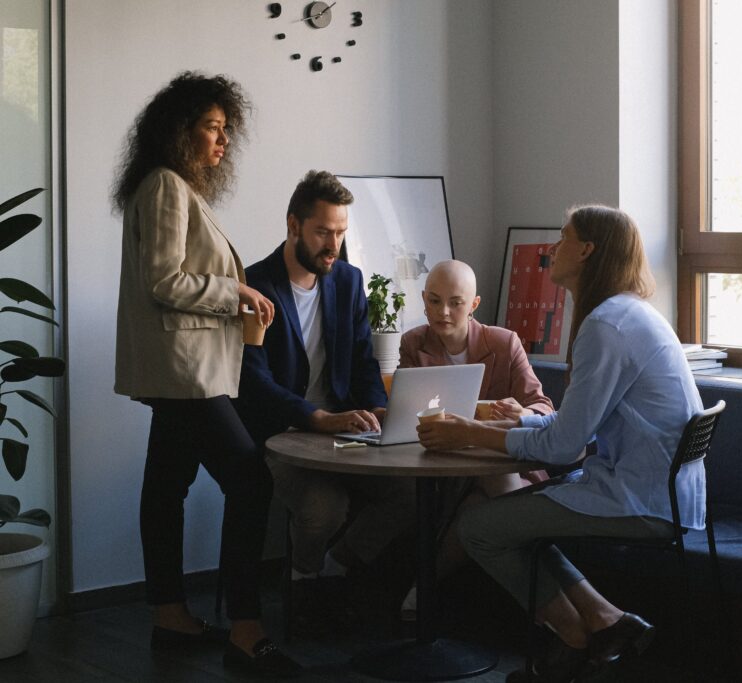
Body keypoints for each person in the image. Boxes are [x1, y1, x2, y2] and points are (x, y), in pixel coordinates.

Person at [418, 205, 705, 681]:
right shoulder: (629, 314)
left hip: (640, 499)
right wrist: (520, 423)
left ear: (587, 250)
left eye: (564, 237)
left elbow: (564, 447)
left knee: (479, 529)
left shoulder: (606, 327)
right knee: (512, 520)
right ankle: (605, 621)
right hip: (666, 492)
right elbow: (579, 426)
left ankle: (575, 637)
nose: (554, 247)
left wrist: (470, 432)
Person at [113, 72, 301, 678]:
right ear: (181, 130)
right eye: (213, 128)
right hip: (186, 372)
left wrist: (233, 299)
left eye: (225, 130)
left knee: (165, 488)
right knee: (251, 481)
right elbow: (164, 282)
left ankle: (171, 617)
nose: (223, 141)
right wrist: (236, 291)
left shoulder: (171, 187)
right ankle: (246, 629)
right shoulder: (167, 186)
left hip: (183, 370)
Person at [234, 170, 415, 632]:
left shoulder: (348, 283)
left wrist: (377, 410)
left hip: (338, 431)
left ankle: (332, 569)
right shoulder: (255, 284)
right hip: (280, 434)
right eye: (322, 232)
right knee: (324, 507)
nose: (333, 245)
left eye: (340, 233)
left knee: (410, 494)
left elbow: (361, 362)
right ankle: (304, 582)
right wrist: (315, 418)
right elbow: (253, 383)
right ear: (293, 225)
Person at [396, 260, 555, 619]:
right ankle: (538, 557)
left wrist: (523, 414)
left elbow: (544, 407)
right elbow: (406, 415)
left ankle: (423, 589)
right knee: (477, 504)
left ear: (474, 304)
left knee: (477, 507)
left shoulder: (503, 343)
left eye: (455, 302)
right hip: (445, 470)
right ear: (423, 300)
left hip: (501, 467)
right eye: (434, 301)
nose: (444, 312)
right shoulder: (413, 344)